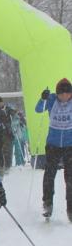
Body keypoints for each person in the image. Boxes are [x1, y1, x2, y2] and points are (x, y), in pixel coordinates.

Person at [35, 78, 72, 221]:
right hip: (53, 144)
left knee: (70, 179)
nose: (64, 97)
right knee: (49, 175)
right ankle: (47, 204)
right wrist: (42, 98)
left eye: (67, 94)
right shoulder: (51, 99)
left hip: (70, 145)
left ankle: (71, 209)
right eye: (61, 94)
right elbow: (38, 109)